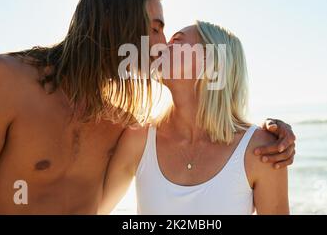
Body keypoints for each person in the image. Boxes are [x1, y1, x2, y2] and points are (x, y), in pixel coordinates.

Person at [0, 0, 295, 214]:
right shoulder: (2, 81)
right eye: (155, 29)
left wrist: (273, 131)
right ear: (116, 24)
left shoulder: (121, 125)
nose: (161, 45)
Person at [101, 22, 289, 214]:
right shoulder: (138, 140)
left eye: (177, 41)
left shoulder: (262, 150)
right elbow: (92, 209)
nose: (161, 47)